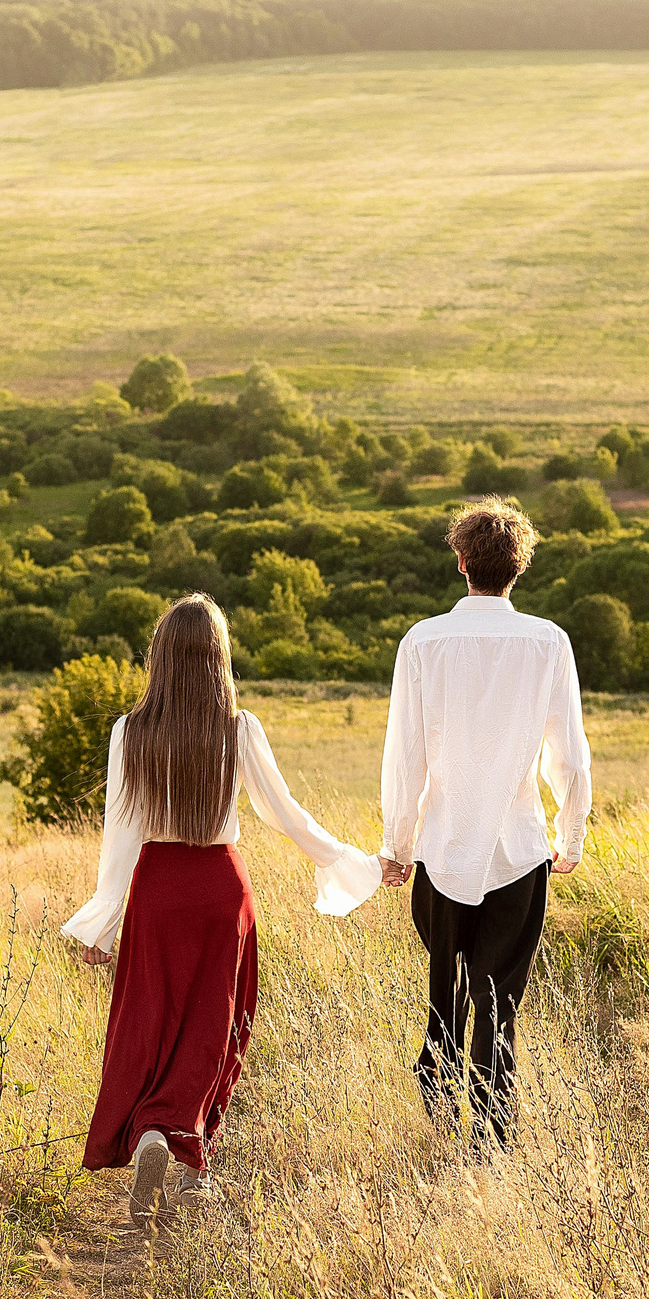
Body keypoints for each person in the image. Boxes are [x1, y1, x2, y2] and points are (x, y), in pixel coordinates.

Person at [64, 594, 383, 1227]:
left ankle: (158, 1134)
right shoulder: (239, 728)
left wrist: (104, 915)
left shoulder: (130, 732)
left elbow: (119, 835)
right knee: (217, 1023)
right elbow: (284, 813)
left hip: (156, 891)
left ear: (159, 656)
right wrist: (350, 860)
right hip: (219, 891)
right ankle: (188, 1156)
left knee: (153, 1020)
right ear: (219, 658)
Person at [378, 497, 593, 1149]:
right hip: (521, 850)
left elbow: (405, 754)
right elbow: (570, 754)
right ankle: (490, 1137)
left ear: (463, 561)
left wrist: (397, 845)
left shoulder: (423, 641)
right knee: (498, 1001)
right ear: (517, 568)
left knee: (448, 987)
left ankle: (437, 1098)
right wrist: (571, 834)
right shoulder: (548, 642)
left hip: (444, 850)